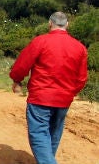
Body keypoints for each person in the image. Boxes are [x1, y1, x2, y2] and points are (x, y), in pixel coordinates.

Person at [9, 11, 88, 164]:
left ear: (50, 23)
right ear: (67, 25)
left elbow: (22, 64)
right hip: (64, 99)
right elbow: (82, 78)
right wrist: (70, 93)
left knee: (39, 134)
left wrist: (17, 80)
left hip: (40, 97)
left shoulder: (40, 41)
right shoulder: (79, 47)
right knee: (53, 134)